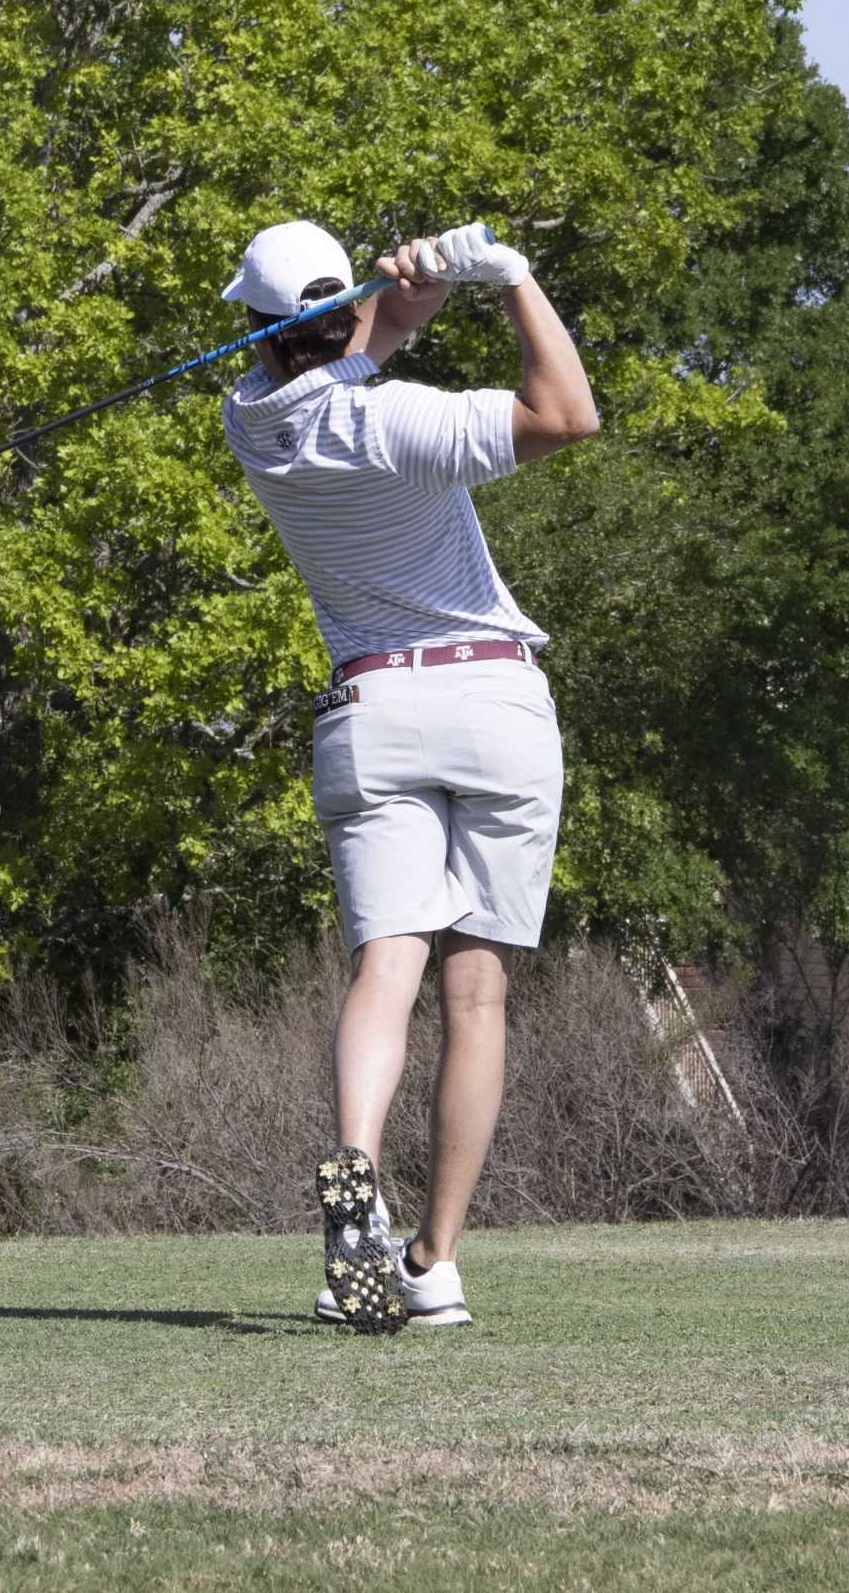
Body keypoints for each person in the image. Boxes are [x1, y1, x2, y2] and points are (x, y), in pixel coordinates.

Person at [220, 218, 596, 1333]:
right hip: (492, 702)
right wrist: (511, 280)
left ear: (256, 327)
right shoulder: (400, 420)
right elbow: (566, 413)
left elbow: (354, 341)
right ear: (334, 322)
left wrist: (420, 282)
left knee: (386, 965)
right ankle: (431, 1261)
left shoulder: (252, 416)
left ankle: (354, 1169)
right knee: (475, 992)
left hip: (371, 708)